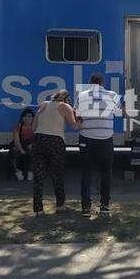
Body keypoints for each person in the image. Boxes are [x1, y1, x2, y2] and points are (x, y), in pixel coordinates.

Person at [75, 72, 119, 217]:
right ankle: (105, 206)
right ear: (103, 83)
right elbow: (119, 113)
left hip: (86, 139)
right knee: (106, 173)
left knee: (86, 173)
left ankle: (86, 207)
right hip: (105, 139)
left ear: (90, 83)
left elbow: (78, 118)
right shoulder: (112, 95)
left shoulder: (82, 96)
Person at [31, 89, 80, 217]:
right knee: (57, 174)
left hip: (38, 139)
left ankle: (38, 209)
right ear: (66, 99)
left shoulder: (43, 104)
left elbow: (33, 127)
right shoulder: (65, 106)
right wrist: (81, 119)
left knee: (39, 177)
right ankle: (60, 205)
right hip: (55, 141)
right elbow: (74, 126)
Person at [10, 108, 35, 181]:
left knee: (34, 150)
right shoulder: (18, 126)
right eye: (25, 116)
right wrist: (21, 149)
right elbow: (16, 140)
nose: (27, 118)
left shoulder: (36, 126)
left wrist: (32, 145)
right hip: (20, 143)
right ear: (22, 118)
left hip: (30, 143)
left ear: (33, 118)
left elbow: (37, 139)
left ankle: (30, 171)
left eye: (30, 116)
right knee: (13, 151)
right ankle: (17, 171)